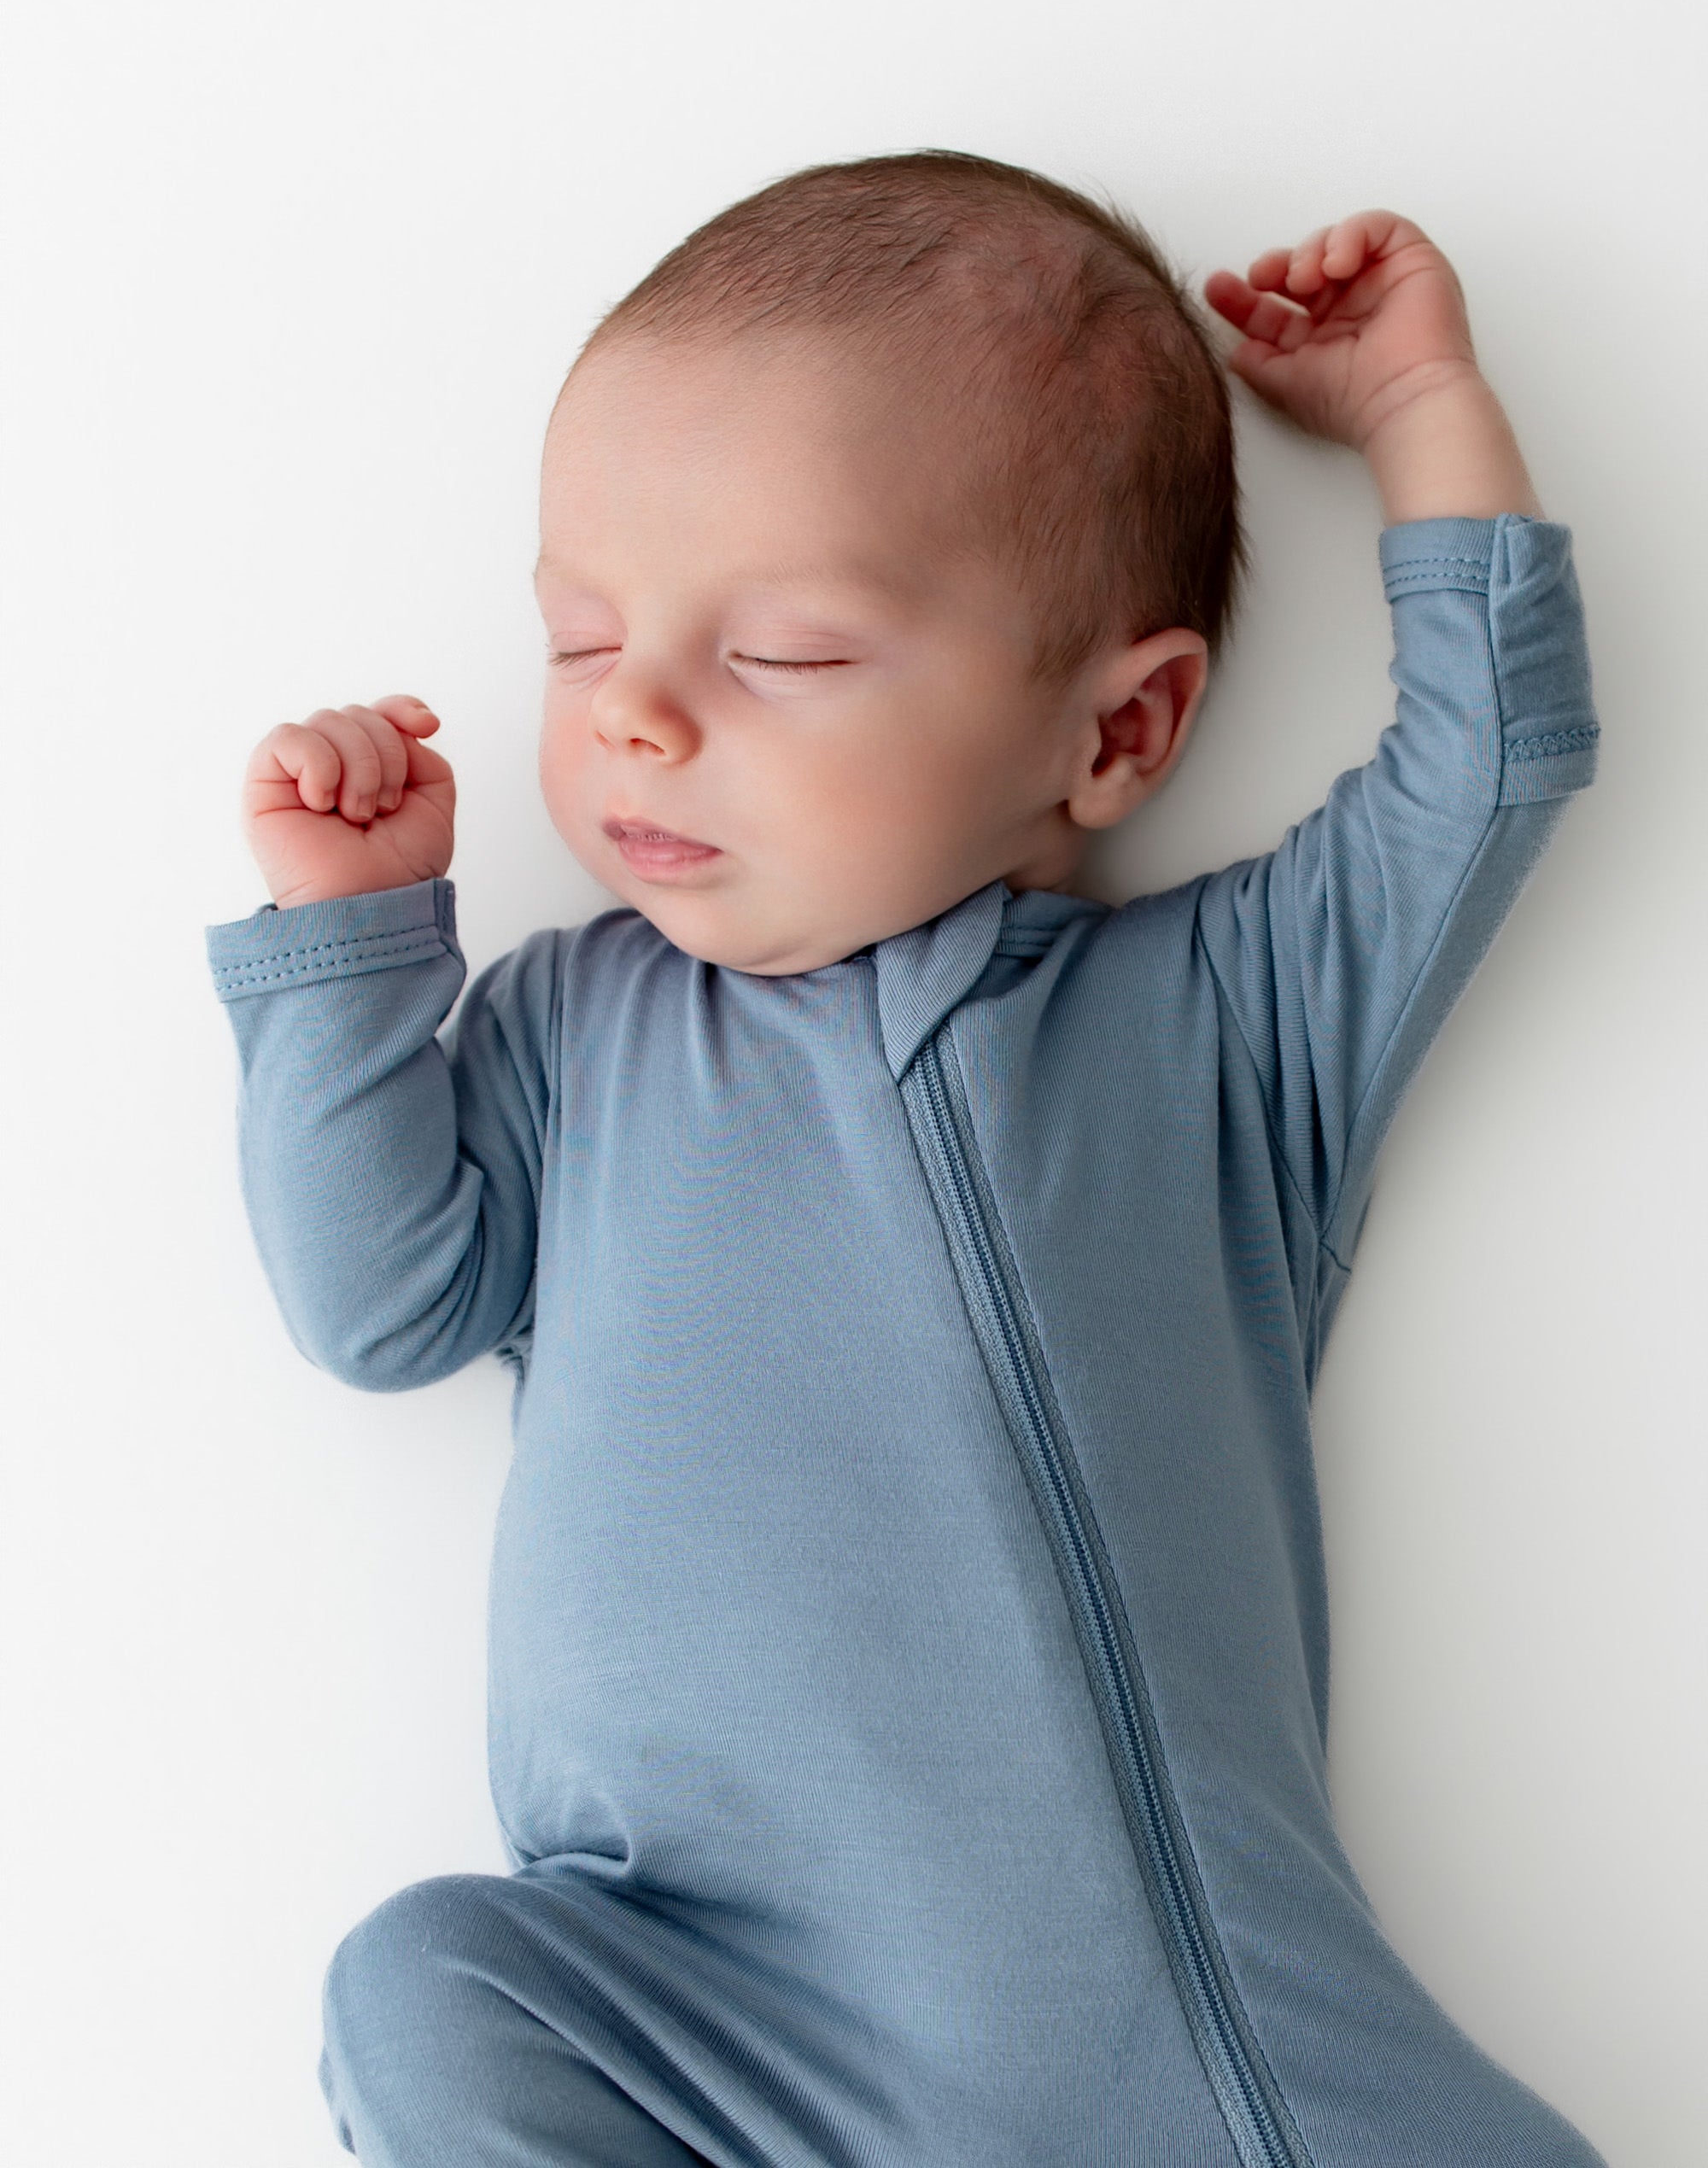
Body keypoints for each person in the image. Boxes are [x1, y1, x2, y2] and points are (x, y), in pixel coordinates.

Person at [206, 153, 1606, 2167]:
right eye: (585, 642)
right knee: (424, 1990)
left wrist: (1421, 417)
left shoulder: (1220, 1018)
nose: (641, 726)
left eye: (778, 655)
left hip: (1222, 2038)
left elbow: (1480, 770)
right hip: (719, 2019)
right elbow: (374, 1306)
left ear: (1115, 736)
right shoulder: (568, 1031)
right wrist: (345, 955)